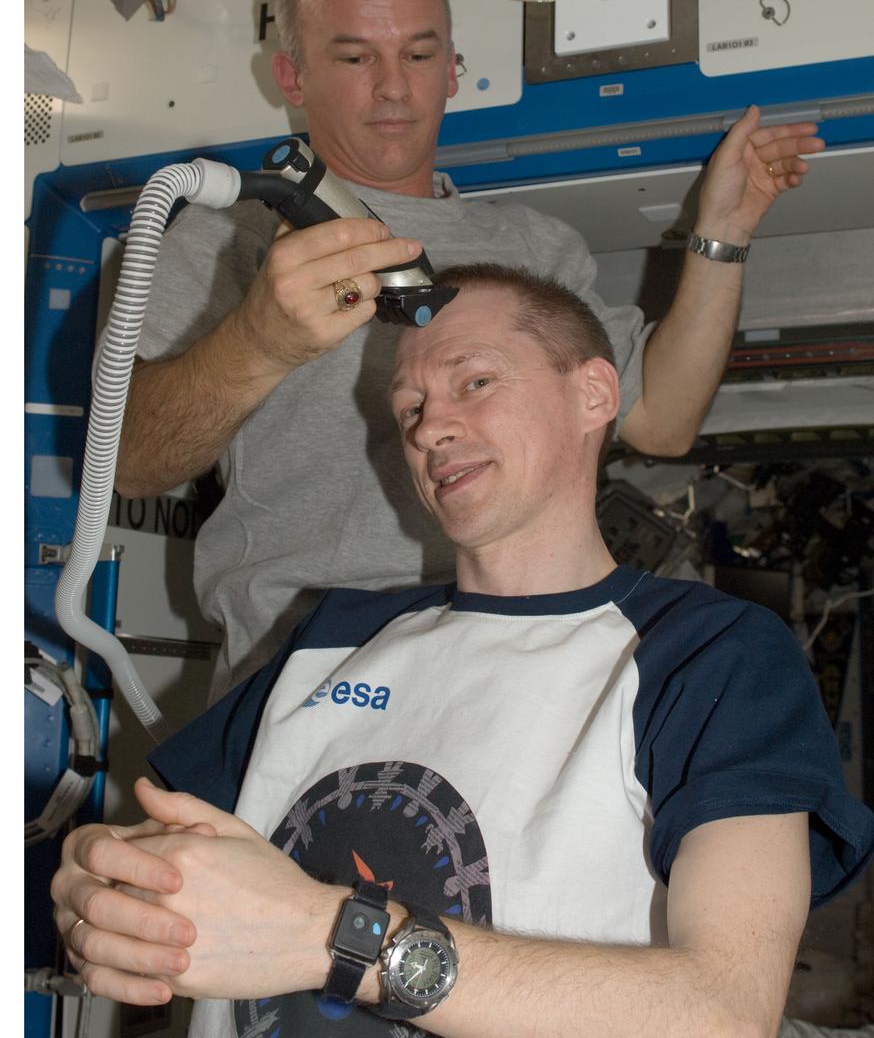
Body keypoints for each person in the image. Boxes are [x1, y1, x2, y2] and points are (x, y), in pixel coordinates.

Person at [54, 266, 873, 1038]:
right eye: (408, 408)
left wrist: (336, 939)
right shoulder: (334, 633)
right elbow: (157, 873)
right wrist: (103, 896)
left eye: (475, 382)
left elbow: (724, 1011)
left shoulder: (707, 653)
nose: (430, 428)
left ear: (594, 393)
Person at [117, 0, 825, 696]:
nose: (394, 88)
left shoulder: (535, 248)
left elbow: (662, 420)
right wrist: (259, 343)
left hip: (515, 661)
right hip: (304, 675)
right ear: (293, 75)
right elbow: (128, 461)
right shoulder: (228, 237)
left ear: (453, 70)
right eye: (355, 58)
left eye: (419, 55)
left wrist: (724, 232)